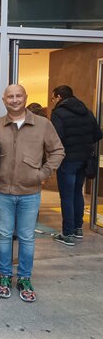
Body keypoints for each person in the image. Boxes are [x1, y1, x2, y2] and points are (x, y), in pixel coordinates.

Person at [0, 84, 64, 302]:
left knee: (26, 236)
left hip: (30, 191)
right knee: (4, 235)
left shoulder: (43, 124)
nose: (14, 100)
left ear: (25, 97)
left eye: (18, 96)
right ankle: (4, 276)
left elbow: (58, 151)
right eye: (10, 97)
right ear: (4, 100)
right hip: (2, 190)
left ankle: (24, 277)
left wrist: (43, 173)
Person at [50, 85, 102, 245]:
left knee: (66, 196)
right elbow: (98, 134)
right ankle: (78, 229)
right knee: (77, 193)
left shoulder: (58, 113)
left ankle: (67, 234)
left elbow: (56, 138)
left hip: (68, 160)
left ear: (59, 97)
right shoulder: (87, 111)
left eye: (53, 98)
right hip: (84, 159)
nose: (53, 102)